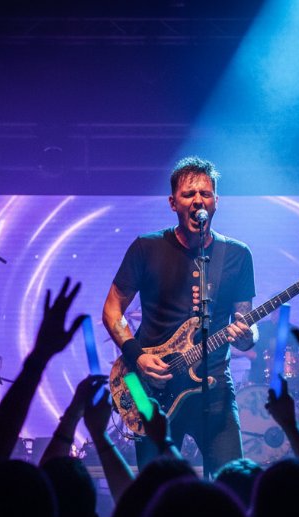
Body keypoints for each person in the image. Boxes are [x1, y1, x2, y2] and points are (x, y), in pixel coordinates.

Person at [102, 156, 257, 477]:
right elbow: (112, 309)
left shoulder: (238, 255)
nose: (197, 200)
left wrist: (247, 335)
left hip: (214, 387)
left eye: (205, 193)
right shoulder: (146, 248)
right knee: (153, 486)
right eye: (188, 194)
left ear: (216, 202)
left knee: (235, 483)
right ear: (173, 203)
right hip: (146, 384)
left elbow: (244, 325)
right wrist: (137, 357)